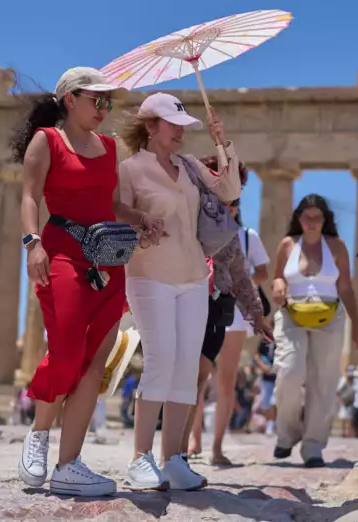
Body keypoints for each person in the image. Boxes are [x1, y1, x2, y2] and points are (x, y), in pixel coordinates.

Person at [12, 67, 156, 497]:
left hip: (108, 261)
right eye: (97, 100)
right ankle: (39, 433)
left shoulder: (109, 147)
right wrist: (32, 243)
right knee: (68, 351)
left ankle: (69, 465)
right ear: (70, 99)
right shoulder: (47, 141)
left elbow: (112, 205)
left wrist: (142, 219)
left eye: (108, 101)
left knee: (96, 362)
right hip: (62, 253)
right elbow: (29, 197)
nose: (104, 108)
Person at [118, 92, 241, 491]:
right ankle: (140, 458)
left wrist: (223, 144)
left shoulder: (188, 166)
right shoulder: (130, 169)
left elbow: (229, 192)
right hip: (148, 274)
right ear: (150, 126)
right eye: (173, 125)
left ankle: (173, 459)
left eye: (184, 126)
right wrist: (141, 220)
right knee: (161, 359)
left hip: (193, 276)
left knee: (187, 366)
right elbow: (116, 210)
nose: (181, 132)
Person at [184, 158, 273, 465]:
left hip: (221, 306)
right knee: (187, 376)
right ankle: (181, 445)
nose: (230, 203)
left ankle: (195, 448)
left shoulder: (235, 233)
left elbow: (241, 274)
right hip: (183, 299)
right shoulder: (184, 215)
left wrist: (256, 313)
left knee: (207, 376)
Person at [269, 194, 358, 467]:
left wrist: (357, 326)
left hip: (330, 317)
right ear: (298, 219)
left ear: (325, 220)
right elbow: (277, 276)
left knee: (324, 381)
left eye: (317, 217)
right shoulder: (288, 244)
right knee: (288, 372)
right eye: (306, 217)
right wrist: (278, 285)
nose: (311, 222)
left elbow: (345, 287)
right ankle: (287, 434)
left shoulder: (337, 246)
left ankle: (313, 445)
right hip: (291, 314)